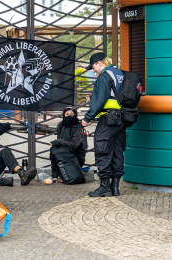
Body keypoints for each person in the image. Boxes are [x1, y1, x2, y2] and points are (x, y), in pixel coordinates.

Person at [82, 52, 126, 197]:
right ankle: (115, 187)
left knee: (102, 150)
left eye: (94, 67)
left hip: (108, 119)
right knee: (117, 151)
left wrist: (88, 118)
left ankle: (104, 186)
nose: (93, 70)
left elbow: (99, 100)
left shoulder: (104, 76)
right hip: (121, 119)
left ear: (100, 63)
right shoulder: (119, 73)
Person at [50, 105, 87, 182]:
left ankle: (68, 174)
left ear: (75, 114)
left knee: (58, 149)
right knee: (53, 149)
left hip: (75, 155)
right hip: (64, 152)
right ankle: (55, 175)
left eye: (71, 114)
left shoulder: (78, 126)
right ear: (63, 115)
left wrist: (58, 142)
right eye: (67, 114)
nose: (69, 116)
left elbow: (74, 145)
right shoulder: (61, 124)